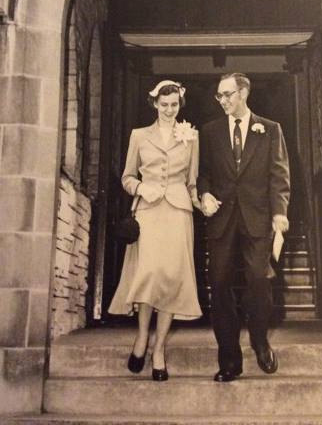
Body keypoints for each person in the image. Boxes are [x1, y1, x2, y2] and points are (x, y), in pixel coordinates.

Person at [197, 72, 290, 382]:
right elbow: (204, 173)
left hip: (258, 218)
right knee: (220, 286)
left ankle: (260, 340)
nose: (222, 101)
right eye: (219, 96)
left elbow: (279, 176)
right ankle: (229, 359)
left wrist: (280, 212)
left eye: (228, 94)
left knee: (259, 282)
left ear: (244, 93)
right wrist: (204, 193)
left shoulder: (271, 129)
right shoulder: (209, 132)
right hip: (222, 220)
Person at [108, 80, 202, 381]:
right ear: (155, 104)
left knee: (172, 279)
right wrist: (141, 187)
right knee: (148, 275)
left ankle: (159, 348)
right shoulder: (139, 135)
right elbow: (126, 177)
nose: (169, 110)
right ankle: (141, 337)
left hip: (178, 212)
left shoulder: (191, 136)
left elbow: (192, 182)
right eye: (164, 105)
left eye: (174, 105)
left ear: (180, 104)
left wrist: (202, 201)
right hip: (148, 211)